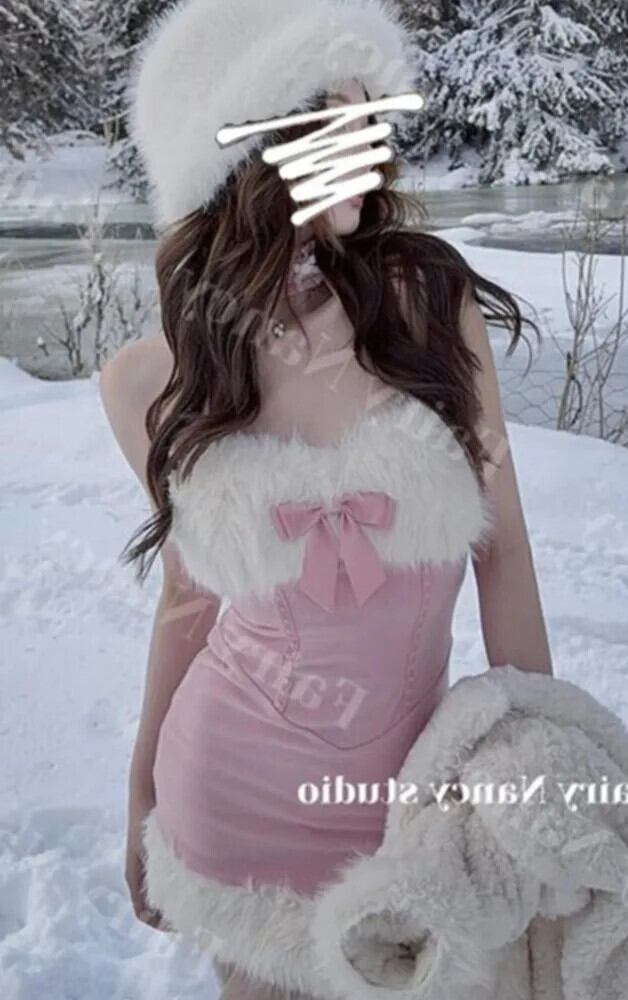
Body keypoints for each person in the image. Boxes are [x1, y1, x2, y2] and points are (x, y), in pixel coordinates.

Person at [99, 0, 553, 996]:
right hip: (229, 803)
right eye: (333, 109)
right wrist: (140, 785)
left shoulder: (426, 305)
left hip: (408, 807)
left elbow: (504, 551)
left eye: (369, 106)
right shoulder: (152, 379)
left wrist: (540, 749)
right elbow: (189, 597)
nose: (370, 134)